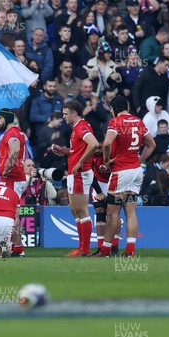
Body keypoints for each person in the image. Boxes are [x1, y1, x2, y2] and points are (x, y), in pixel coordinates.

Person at [99, 96, 156, 257]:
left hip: (121, 172)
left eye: (111, 109)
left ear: (114, 108)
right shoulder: (138, 121)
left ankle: (105, 250)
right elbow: (152, 144)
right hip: (136, 171)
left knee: (112, 213)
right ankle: (130, 250)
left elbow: (107, 143)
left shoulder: (116, 122)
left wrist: (106, 160)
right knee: (131, 212)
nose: (111, 113)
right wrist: (139, 160)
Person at [61, 100, 98, 257]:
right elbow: (77, 150)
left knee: (81, 211)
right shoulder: (77, 128)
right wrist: (64, 151)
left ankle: (84, 249)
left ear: (74, 114)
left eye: (65, 114)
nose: (63, 117)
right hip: (74, 172)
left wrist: (80, 162)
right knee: (75, 210)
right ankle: (81, 247)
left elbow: (94, 144)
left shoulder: (82, 127)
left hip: (80, 173)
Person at [0, 108, 28, 258]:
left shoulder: (12, 133)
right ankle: (18, 248)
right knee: (14, 214)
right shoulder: (16, 132)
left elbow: (14, 150)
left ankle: (13, 247)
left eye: (0, 118)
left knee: (11, 215)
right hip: (15, 178)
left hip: (12, 178)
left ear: (7, 119)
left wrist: (7, 169)